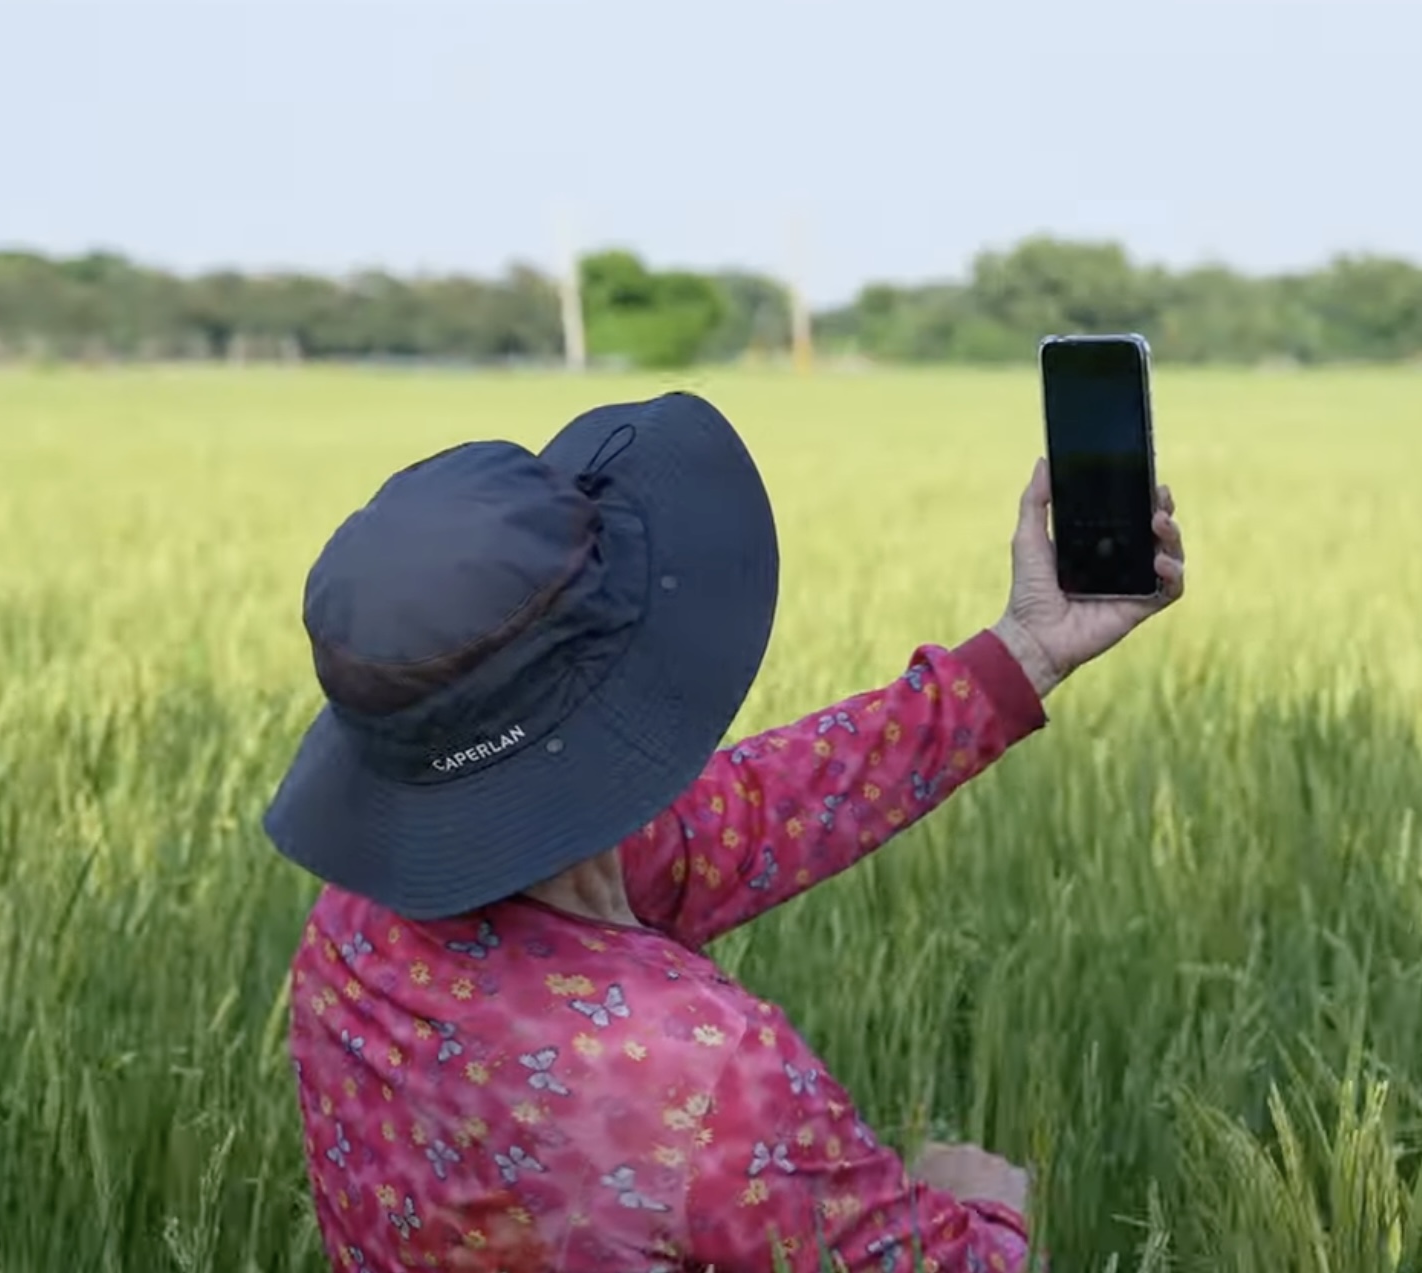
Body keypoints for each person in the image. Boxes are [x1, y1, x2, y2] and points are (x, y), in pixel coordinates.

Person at [262, 391, 1186, 1272]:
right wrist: (986, 1202)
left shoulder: (351, 932)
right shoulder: (695, 1071)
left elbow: (766, 805)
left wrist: (1026, 649)